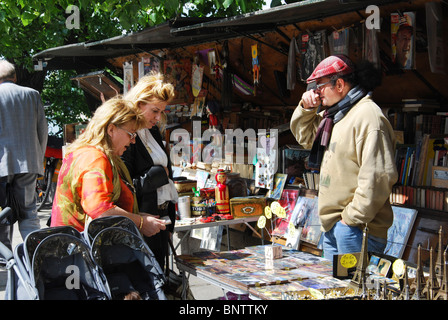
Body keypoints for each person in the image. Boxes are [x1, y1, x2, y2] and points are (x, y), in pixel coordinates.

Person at [290, 55, 398, 261]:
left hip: (356, 229)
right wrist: (306, 109)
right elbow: (305, 137)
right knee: (336, 288)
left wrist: (349, 219)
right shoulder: (335, 115)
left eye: (320, 86)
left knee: (352, 289)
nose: (316, 92)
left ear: (339, 84)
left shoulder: (367, 116)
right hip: (335, 226)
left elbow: (377, 177)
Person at [50, 97, 167, 237]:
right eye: (131, 134)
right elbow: (101, 210)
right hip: (79, 250)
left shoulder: (82, 152)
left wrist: (136, 216)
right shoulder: (95, 158)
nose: (133, 141)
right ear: (111, 129)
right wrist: (140, 222)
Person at [122, 72, 178, 271]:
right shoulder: (125, 135)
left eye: (161, 111)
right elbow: (124, 186)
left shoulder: (152, 130)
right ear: (139, 103)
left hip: (161, 218)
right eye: (155, 110)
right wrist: (159, 175)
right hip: (142, 221)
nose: (158, 117)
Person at [0, 60, 48, 250]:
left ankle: (4, 258)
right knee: (29, 212)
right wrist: (39, 161)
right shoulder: (32, 95)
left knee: (2, 213)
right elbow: (42, 132)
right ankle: (34, 254)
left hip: (1, 166)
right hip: (28, 163)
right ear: (15, 77)